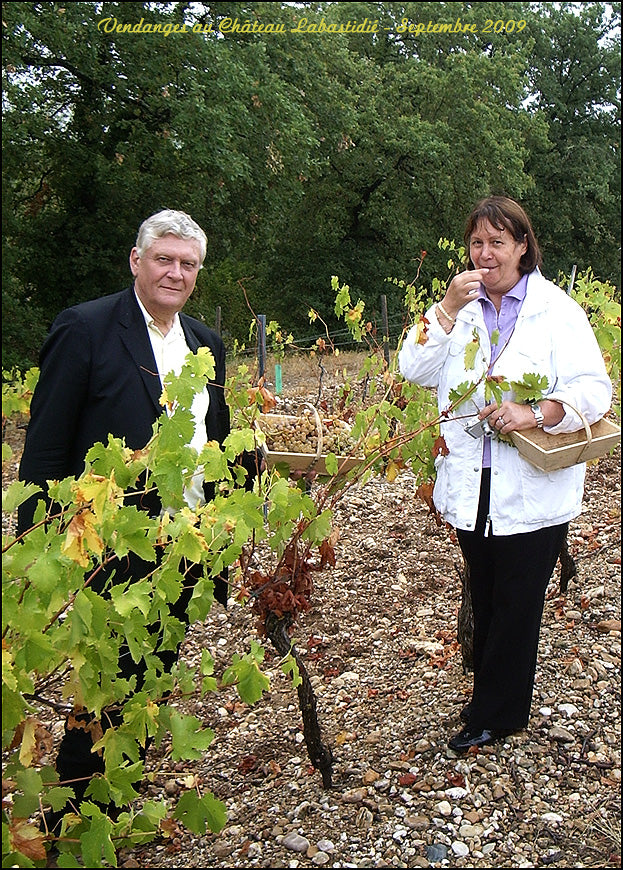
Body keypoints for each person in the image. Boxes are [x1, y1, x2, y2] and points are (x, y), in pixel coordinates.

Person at [18, 208, 256, 827]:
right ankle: (65, 822)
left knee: (150, 682)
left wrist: (232, 518)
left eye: (188, 264)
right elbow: (45, 447)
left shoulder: (206, 345)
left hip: (183, 547)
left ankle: (111, 804)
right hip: (107, 543)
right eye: (164, 259)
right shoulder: (86, 329)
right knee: (101, 690)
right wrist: (47, 550)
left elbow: (215, 439)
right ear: (136, 261)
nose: (175, 273)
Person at [398, 195, 612, 753]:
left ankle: (497, 713)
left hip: (532, 484)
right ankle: (491, 697)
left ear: (522, 246)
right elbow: (413, 368)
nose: (486, 254)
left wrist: (536, 412)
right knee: (488, 591)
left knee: (518, 602)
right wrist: (443, 310)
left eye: (498, 242)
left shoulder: (558, 310)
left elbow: (594, 389)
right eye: (477, 243)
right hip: (473, 481)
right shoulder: (459, 310)